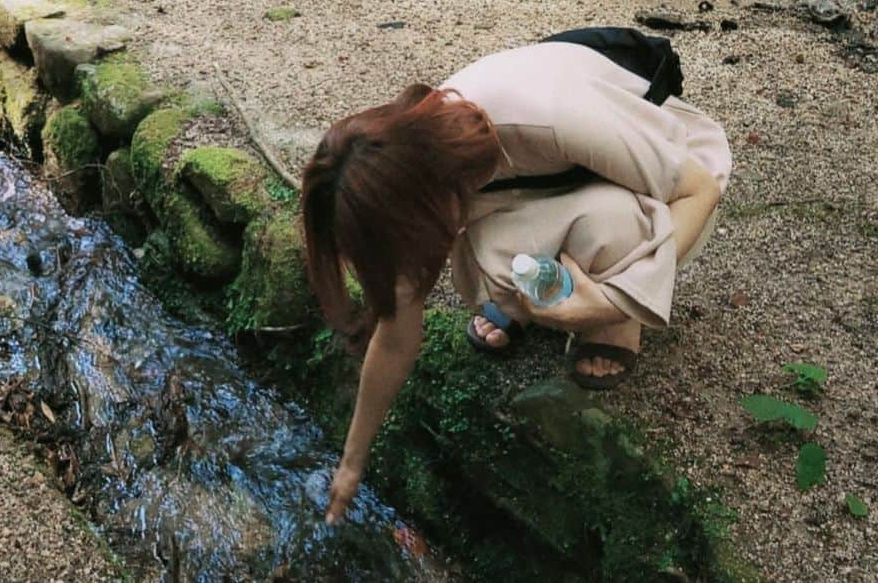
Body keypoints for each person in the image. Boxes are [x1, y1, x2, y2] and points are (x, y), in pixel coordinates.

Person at [300, 34, 731, 526]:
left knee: (609, 225)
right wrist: (351, 464)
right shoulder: (409, 176)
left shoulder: (542, 119)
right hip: (551, 180)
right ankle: (558, 294)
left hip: (681, 175)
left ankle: (611, 323)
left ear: (421, 207)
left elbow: (697, 190)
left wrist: (614, 303)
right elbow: (396, 336)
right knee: (499, 265)